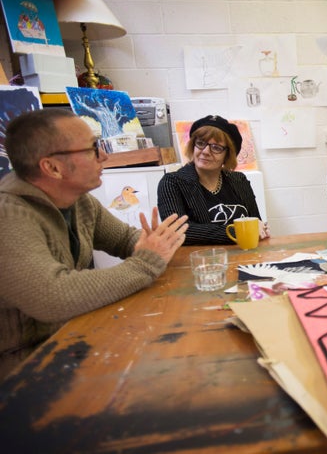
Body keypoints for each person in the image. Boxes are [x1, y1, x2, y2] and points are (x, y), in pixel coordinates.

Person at [0, 108, 188, 380]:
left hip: (66, 338)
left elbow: (126, 240)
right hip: (20, 367)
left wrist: (154, 243)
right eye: (92, 148)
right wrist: (146, 263)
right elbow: (52, 297)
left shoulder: (78, 200)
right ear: (52, 167)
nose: (104, 156)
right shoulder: (8, 215)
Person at [157, 115, 269, 245]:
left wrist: (261, 229)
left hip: (244, 257)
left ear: (227, 155)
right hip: (199, 261)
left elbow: (256, 223)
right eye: (200, 143)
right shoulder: (172, 183)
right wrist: (236, 232)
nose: (205, 151)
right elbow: (177, 231)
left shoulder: (239, 180)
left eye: (216, 147)